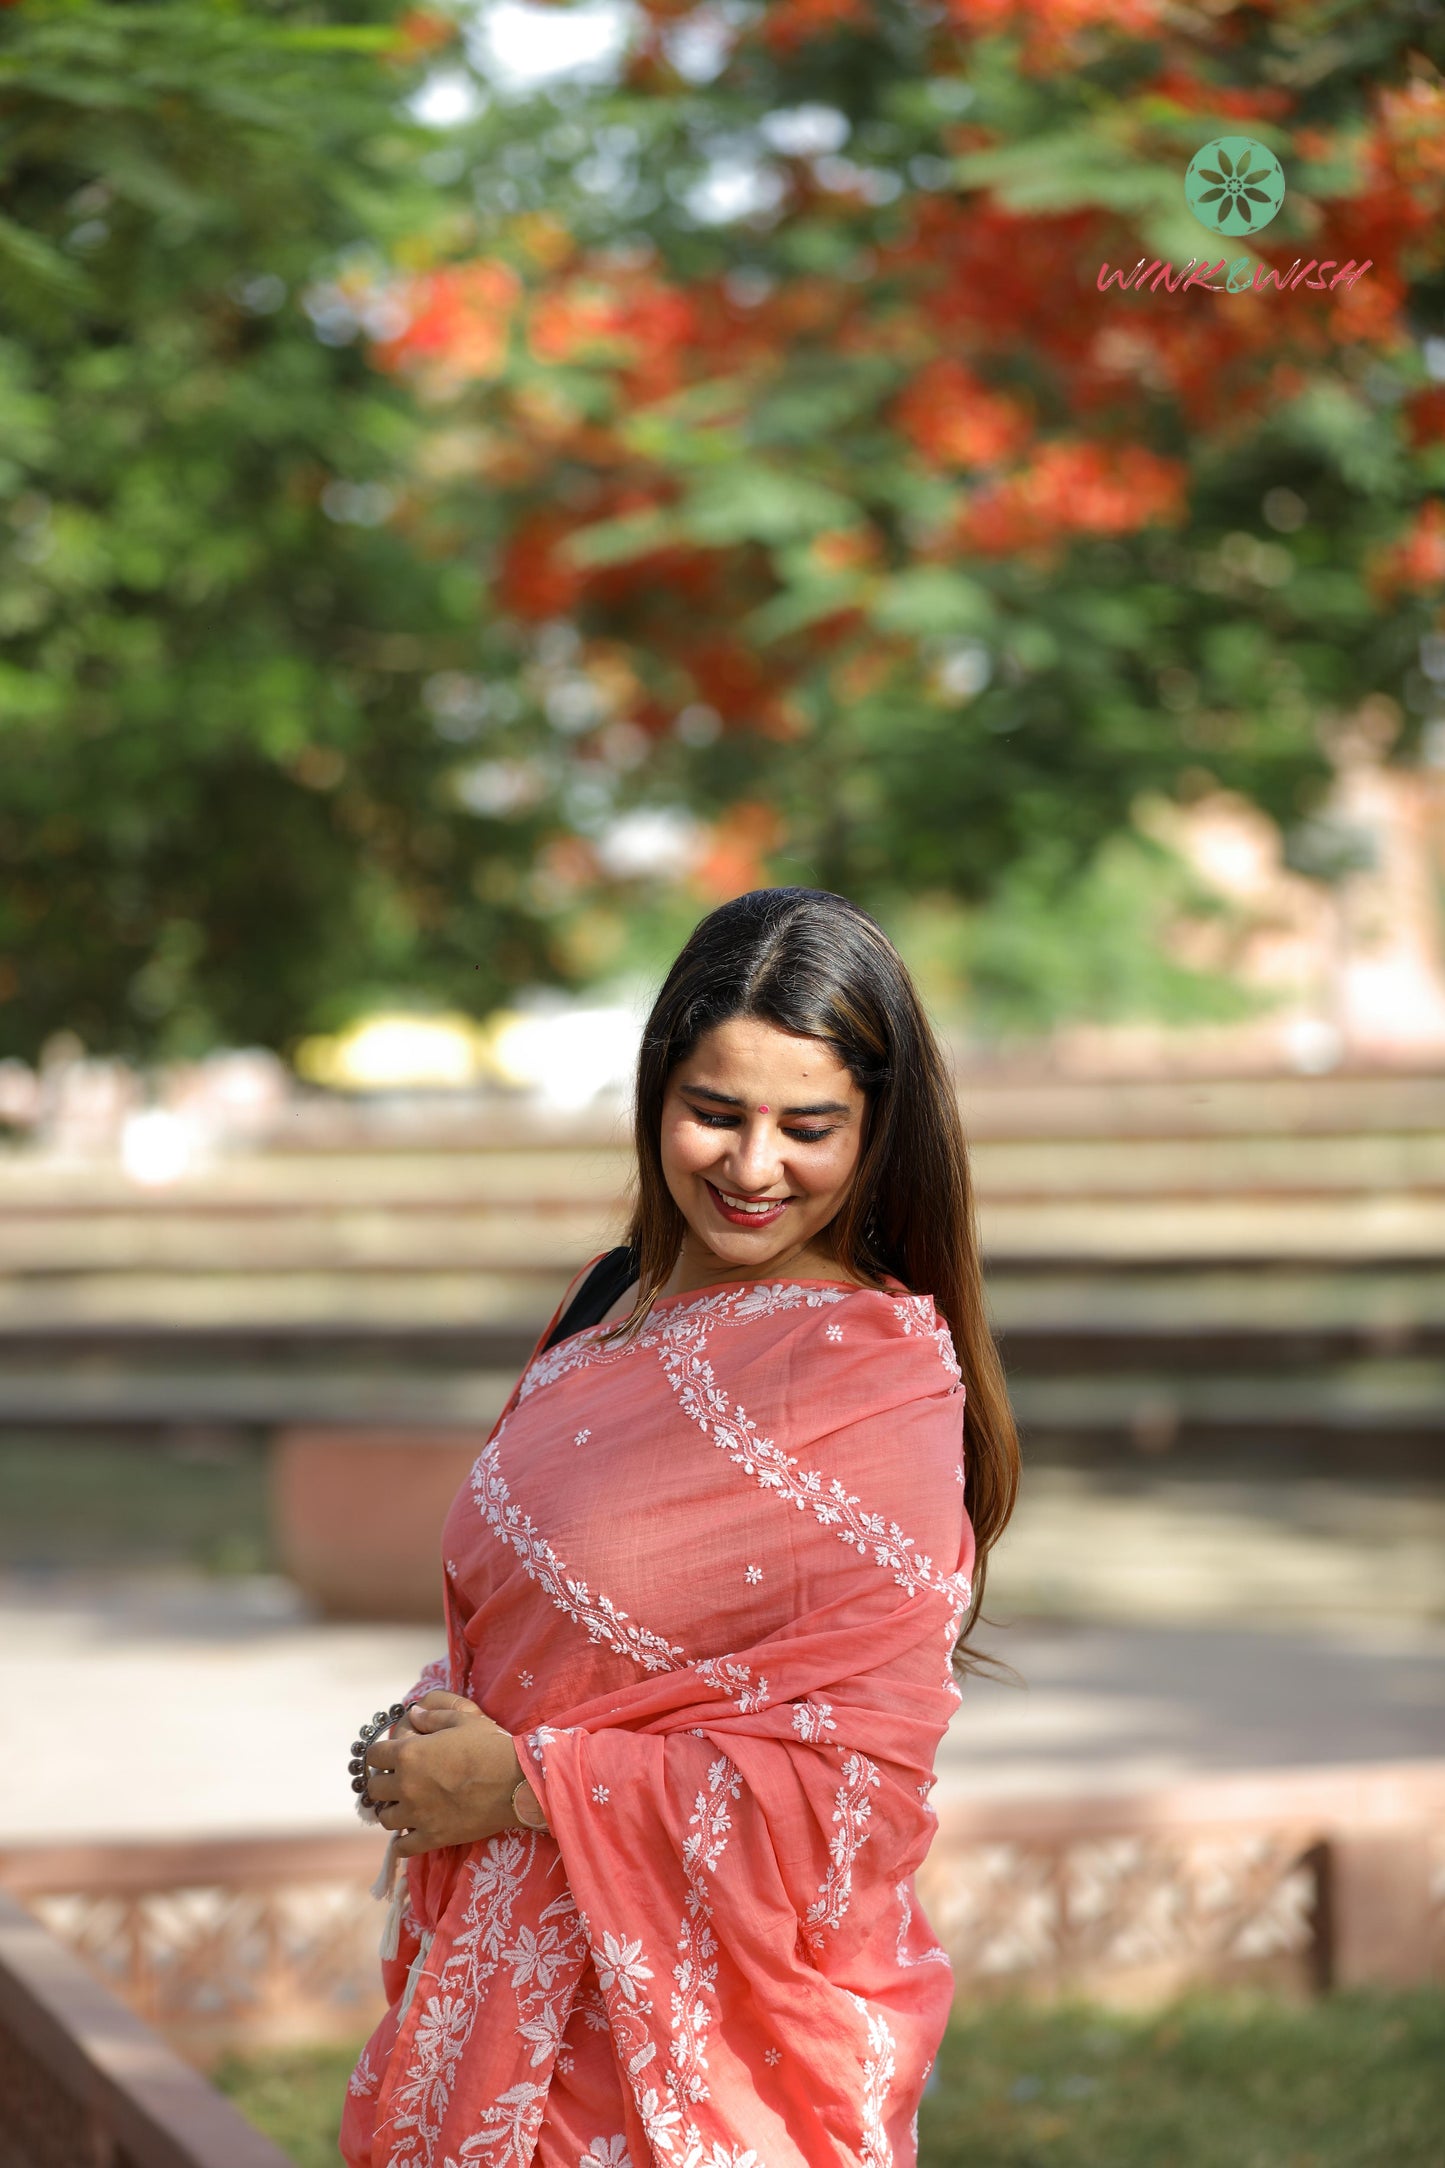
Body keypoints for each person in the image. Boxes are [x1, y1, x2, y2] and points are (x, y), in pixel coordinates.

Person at [340, 886, 1019, 2168]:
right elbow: (517, 1620)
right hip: (490, 2005)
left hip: (701, 2064)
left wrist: (529, 1784)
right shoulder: (605, 1301)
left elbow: (849, 1791)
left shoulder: (871, 1378)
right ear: (657, 1092)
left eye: (806, 1126)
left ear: (875, 1133)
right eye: (713, 1112)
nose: (752, 1166)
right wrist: (430, 1733)